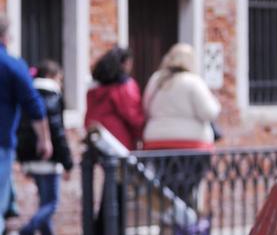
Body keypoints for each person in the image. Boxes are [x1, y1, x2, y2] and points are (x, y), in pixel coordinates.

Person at [141, 43, 220, 208]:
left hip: (156, 144)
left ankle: (171, 223)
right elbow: (209, 112)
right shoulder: (193, 81)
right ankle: (185, 224)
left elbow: (146, 108)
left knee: (167, 190)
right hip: (191, 146)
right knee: (187, 191)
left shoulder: (156, 80)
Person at [0, 20, 50, 235]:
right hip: (2, 142)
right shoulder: (11, 64)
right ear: (5, 36)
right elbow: (34, 104)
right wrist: (45, 138)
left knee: (6, 197)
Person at [11, 61, 72, 235]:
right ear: (55, 76)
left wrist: (23, 158)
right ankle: (22, 234)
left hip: (30, 156)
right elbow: (57, 131)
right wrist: (68, 162)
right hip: (48, 156)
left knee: (44, 202)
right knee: (51, 204)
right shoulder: (52, 96)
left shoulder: (29, 94)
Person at [84, 47, 145, 151]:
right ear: (124, 64)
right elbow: (134, 117)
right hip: (119, 144)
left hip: (98, 143)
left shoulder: (94, 90)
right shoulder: (125, 87)